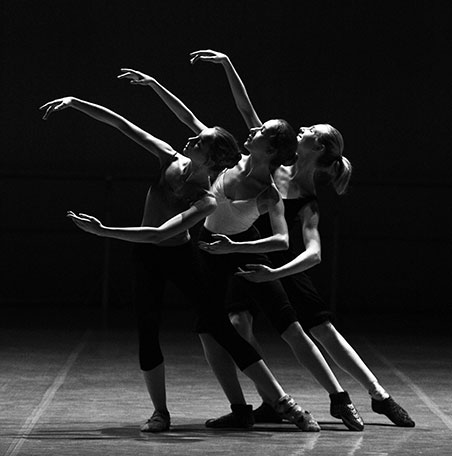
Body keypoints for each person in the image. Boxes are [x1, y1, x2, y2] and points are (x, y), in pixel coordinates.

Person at [39, 89, 319, 433]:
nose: (190, 138)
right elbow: (124, 125)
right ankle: (160, 412)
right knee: (147, 330)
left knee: (219, 327)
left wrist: (103, 231)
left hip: (181, 257)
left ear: (210, 158)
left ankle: (284, 403)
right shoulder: (168, 157)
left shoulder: (206, 200)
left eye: (199, 141)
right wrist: (77, 103)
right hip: (146, 258)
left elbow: (160, 233)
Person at [190, 49, 415, 429]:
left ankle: (377, 396)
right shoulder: (274, 165)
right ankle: (268, 400)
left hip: (284, 264)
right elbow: (247, 111)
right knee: (238, 321)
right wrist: (228, 64)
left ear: (320, 148)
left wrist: (276, 272)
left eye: (311, 131)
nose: (303, 129)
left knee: (318, 328)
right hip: (251, 254)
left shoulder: (308, 201)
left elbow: (312, 254)